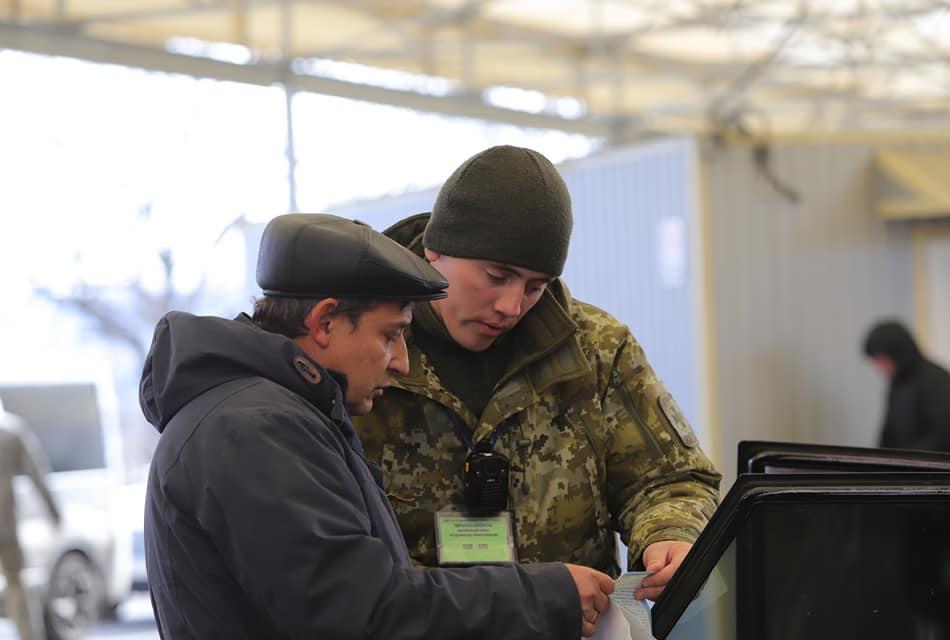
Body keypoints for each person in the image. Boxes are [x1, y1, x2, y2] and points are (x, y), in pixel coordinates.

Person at [140, 213, 613, 639]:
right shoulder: (255, 431)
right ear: (325, 322)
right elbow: (363, 616)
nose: (402, 362)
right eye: (390, 335)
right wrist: (548, 595)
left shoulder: (274, 415)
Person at [354, 145, 722, 601]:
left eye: (535, 286)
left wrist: (671, 532)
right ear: (436, 250)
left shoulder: (596, 350)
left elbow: (671, 479)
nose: (511, 307)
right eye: (496, 276)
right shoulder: (364, 348)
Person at [0, 401, 61, 640]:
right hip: (6, 525)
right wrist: (53, 512)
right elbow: (37, 473)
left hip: (7, 526)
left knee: (18, 587)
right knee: (18, 588)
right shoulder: (11, 432)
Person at [863, 319, 950, 453]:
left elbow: (948, 433)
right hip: (903, 467)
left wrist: (910, 460)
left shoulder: (938, 380)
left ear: (896, 352)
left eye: (881, 360)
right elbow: (889, 431)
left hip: (931, 469)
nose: (880, 368)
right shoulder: (896, 382)